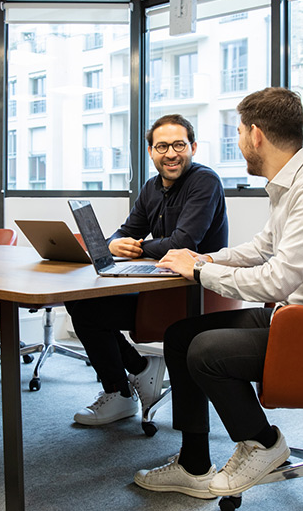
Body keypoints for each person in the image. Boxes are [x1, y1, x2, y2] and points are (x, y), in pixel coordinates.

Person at [133, 87, 303, 500]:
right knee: (180, 335)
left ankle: (262, 442)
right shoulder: (290, 185)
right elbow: (261, 249)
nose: (239, 141)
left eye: (240, 132)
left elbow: (276, 279)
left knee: (206, 351)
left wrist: (198, 272)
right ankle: (193, 463)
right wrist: (204, 258)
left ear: (256, 135)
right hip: (299, 316)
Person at [65, 114, 228, 426]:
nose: (171, 153)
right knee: (81, 301)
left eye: (179, 145)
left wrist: (138, 246)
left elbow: (183, 243)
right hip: (158, 289)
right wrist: (113, 246)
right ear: (151, 151)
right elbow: (124, 231)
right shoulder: (150, 188)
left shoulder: (205, 182)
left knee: (88, 309)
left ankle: (125, 387)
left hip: (195, 294)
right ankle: (135, 374)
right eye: (162, 146)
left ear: (192, 147)